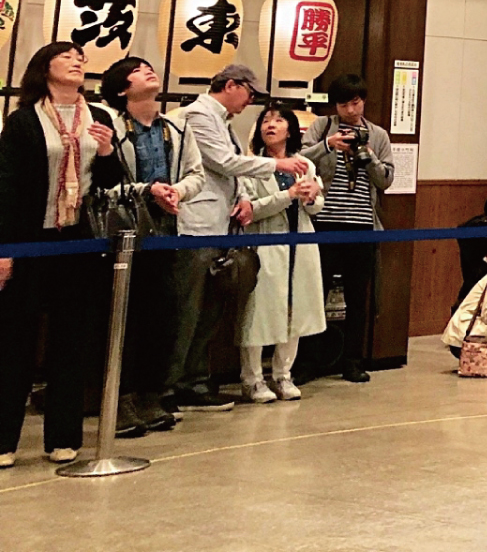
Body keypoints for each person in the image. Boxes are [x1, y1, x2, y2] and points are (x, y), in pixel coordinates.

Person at [0, 43, 127, 465]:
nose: (77, 62)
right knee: (15, 339)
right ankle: (4, 439)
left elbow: (111, 181)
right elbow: (7, 185)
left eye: (80, 58)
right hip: (30, 238)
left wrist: (107, 151)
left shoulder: (99, 117)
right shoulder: (24, 119)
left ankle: (63, 436)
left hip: (78, 240)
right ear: (44, 67)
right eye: (67, 57)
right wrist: (5, 248)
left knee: (71, 339)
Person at [166, 64, 307, 413]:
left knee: (208, 310)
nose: (250, 102)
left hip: (221, 227)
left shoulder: (223, 122)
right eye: (250, 93)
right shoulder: (198, 115)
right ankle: (172, 386)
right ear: (231, 85)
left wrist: (243, 197)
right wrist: (276, 166)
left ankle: (194, 381)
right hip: (196, 226)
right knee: (188, 310)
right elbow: (224, 162)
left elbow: (232, 173)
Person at [101, 55, 202, 437]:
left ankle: (149, 394)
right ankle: (120, 399)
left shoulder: (174, 128)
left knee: (162, 316)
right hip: (122, 232)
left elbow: (196, 174)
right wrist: (148, 190)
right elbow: (102, 180)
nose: (148, 71)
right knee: (124, 318)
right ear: (121, 89)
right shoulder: (110, 125)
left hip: (167, 228)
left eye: (149, 67)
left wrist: (177, 191)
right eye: (136, 70)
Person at [301, 74, 396, 383]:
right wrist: (328, 146)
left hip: (362, 225)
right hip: (323, 221)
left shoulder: (377, 135)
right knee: (315, 294)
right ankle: (308, 362)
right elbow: (299, 160)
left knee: (358, 298)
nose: (351, 110)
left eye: (355, 103)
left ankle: (353, 361)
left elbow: (386, 180)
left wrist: (369, 158)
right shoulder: (321, 127)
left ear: (363, 101)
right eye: (343, 105)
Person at [239, 105, 326, 402]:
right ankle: (252, 379)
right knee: (258, 313)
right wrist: (287, 195)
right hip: (264, 243)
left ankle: (283, 375)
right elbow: (251, 209)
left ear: (290, 130)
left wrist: (312, 196)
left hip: (299, 243)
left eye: (278, 120)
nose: (271, 125)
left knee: (294, 309)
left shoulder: (304, 164)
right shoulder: (251, 165)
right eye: (265, 120)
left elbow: (316, 207)